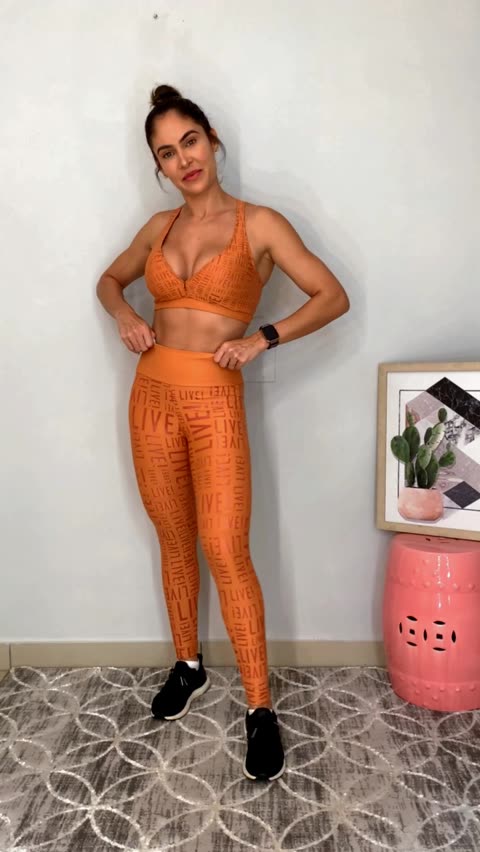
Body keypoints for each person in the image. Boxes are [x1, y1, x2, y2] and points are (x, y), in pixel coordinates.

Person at [96, 84, 349, 782]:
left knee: (226, 548)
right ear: (158, 165)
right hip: (150, 399)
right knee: (174, 539)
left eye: (190, 142)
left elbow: (332, 295)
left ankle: (260, 708)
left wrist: (264, 337)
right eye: (166, 153)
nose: (183, 160)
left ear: (212, 141)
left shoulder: (259, 224)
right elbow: (109, 281)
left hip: (214, 403)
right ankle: (188, 664)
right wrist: (125, 313)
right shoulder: (158, 228)